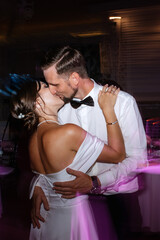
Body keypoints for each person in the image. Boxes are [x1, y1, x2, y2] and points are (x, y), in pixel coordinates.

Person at [31, 46, 147, 239]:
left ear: (75, 78)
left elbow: (138, 160)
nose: (51, 91)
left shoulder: (123, 103)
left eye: (55, 84)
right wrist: (38, 186)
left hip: (117, 197)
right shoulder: (58, 109)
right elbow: (50, 156)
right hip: (76, 201)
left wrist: (96, 182)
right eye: (47, 84)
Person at [11, 78, 125, 240]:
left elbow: (44, 177)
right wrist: (108, 110)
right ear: (37, 103)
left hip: (46, 216)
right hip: (71, 218)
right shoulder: (68, 132)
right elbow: (118, 155)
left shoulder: (33, 140)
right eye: (44, 86)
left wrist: (37, 186)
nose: (52, 88)